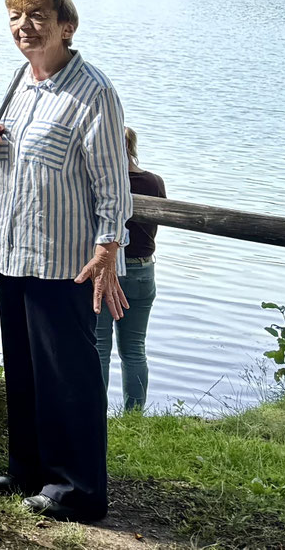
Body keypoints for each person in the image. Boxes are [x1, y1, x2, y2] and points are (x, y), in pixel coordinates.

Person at [0, 0, 130, 522]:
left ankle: (79, 490)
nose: (24, 27)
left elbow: (114, 185)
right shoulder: (22, 79)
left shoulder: (93, 92)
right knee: (25, 368)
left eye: (37, 16)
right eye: (16, 17)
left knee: (68, 377)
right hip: (16, 251)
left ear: (67, 26)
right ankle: (29, 471)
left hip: (68, 261)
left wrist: (108, 249)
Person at [95, 128, 163, 412]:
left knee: (99, 349)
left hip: (107, 270)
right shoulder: (154, 182)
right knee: (134, 349)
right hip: (143, 271)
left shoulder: (103, 184)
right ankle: (134, 414)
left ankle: (93, 413)